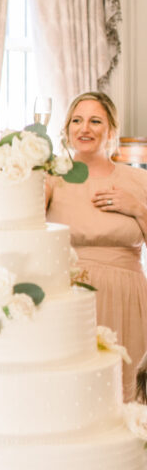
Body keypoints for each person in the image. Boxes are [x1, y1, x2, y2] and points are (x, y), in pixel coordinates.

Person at [46, 91, 147, 400]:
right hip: (70, 299)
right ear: (67, 129)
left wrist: (138, 208)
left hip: (128, 298)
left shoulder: (138, 181)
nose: (84, 128)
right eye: (76, 120)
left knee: (125, 398)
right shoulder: (51, 178)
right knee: (76, 396)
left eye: (95, 121)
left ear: (111, 130)